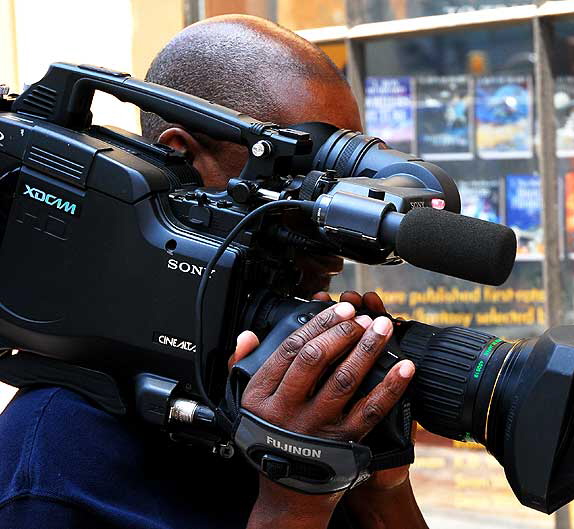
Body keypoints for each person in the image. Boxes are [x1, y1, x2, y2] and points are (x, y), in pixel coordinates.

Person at [0, 15, 427, 529]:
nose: (330, 250)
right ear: (182, 159)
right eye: (300, 179)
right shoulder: (52, 465)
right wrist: (294, 503)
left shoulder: (309, 412)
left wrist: (385, 489)